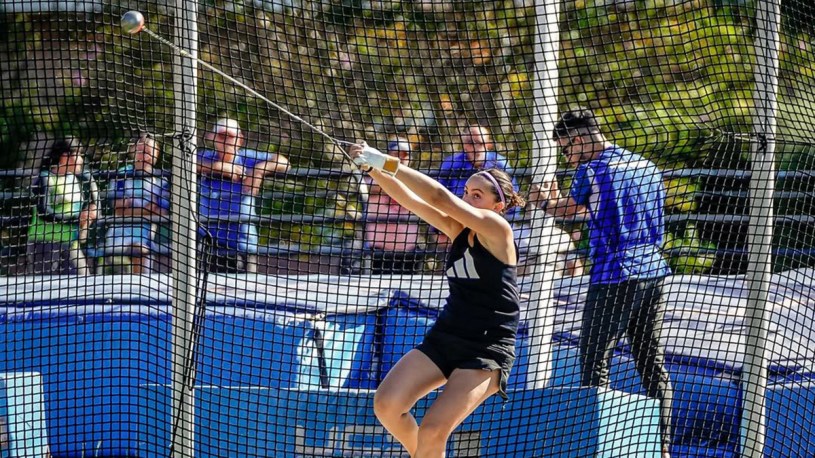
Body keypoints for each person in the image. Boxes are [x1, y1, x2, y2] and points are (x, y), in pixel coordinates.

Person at [349, 142, 525, 458]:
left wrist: (384, 160)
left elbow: (438, 197)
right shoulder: (458, 229)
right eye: (466, 192)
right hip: (447, 335)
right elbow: (411, 200)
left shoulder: (498, 229)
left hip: (486, 347)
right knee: (387, 405)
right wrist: (373, 168)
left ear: (498, 205)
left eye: (477, 195)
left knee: (433, 430)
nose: (466, 198)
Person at [536, 108, 673, 457]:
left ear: (579, 138)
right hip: (654, 272)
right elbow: (601, 208)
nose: (568, 157)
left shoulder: (592, 169)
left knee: (594, 359)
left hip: (615, 275)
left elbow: (567, 211)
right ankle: (663, 447)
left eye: (567, 149)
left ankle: (596, 446)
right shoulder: (645, 166)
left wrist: (544, 202)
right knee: (650, 361)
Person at [198, 118, 289, 273]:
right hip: (208, 243)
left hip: (243, 244)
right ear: (212, 137)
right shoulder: (205, 157)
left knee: (246, 287)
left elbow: (284, 162)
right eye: (221, 135)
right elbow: (184, 163)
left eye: (230, 136)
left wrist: (259, 170)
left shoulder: (248, 158)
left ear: (239, 139)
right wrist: (218, 167)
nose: (226, 140)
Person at [26, 137, 99, 275]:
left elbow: (83, 208)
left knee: (83, 281)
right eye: (78, 155)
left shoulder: (76, 180)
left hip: (71, 243)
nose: (81, 160)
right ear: (64, 156)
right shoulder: (45, 178)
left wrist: (89, 213)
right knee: (44, 286)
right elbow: (44, 212)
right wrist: (75, 219)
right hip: (44, 243)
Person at [104, 135, 170, 274]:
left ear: (156, 154)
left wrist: (131, 208)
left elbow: (161, 213)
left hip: (147, 242)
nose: (144, 156)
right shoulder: (122, 175)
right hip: (119, 240)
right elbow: (119, 210)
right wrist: (147, 209)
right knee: (139, 251)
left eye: (149, 152)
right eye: (141, 151)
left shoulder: (161, 180)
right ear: (133, 151)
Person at [364, 138, 428, 274]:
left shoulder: (415, 179)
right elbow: (370, 188)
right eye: (396, 154)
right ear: (388, 155)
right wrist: (389, 168)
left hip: (409, 250)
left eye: (405, 155)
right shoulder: (375, 175)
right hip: (381, 250)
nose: (401, 158)